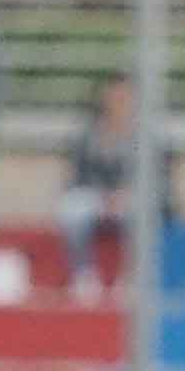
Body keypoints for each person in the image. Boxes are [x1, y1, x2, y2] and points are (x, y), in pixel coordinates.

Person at [53, 80, 136, 298]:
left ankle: (131, 277)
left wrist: (123, 193)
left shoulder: (142, 135)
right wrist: (102, 195)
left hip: (129, 197)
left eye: (123, 98)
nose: (118, 103)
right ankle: (84, 275)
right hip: (95, 195)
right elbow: (77, 175)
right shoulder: (88, 132)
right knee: (71, 208)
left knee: (141, 212)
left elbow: (155, 177)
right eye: (114, 97)